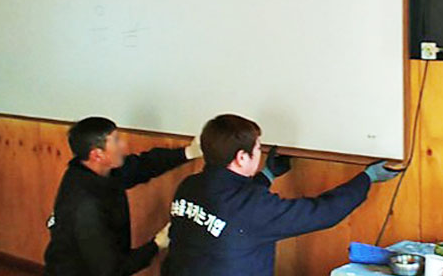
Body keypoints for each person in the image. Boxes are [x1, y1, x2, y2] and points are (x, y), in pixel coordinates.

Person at [162, 114, 401, 276]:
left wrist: (266, 175)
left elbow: (234, 203)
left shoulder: (189, 186)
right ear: (242, 157)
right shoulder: (252, 206)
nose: (260, 153)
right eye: (258, 148)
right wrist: (366, 178)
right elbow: (324, 212)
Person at [44, 116, 202, 276]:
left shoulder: (99, 170)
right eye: (116, 140)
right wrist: (156, 244)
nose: (123, 144)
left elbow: (143, 165)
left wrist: (187, 153)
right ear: (97, 155)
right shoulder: (86, 207)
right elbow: (111, 270)